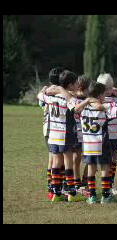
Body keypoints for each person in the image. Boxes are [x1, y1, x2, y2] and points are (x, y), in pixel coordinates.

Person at [37, 70, 82, 202]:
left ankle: (56, 193)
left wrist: (48, 90)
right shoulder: (66, 99)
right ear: (69, 85)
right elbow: (74, 104)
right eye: (75, 84)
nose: (77, 85)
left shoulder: (51, 98)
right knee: (68, 162)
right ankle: (72, 193)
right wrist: (62, 91)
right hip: (64, 135)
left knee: (56, 163)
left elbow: (40, 95)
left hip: (53, 136)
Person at [39, 67, 64, 200]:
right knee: (58, 159)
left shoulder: (47, 90)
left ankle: (51, 188)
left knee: (52, 158)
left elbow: (40, 104)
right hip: (56, 128)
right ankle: (57, 187)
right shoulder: (60, 92)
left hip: (47, 128)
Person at [96, 73, 117, 196]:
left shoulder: (96, 101)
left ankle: (108, 186)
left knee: (106, 162)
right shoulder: (116, 101)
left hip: (103, 135)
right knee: (112, 161)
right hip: (114, 134)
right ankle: (110, 185)